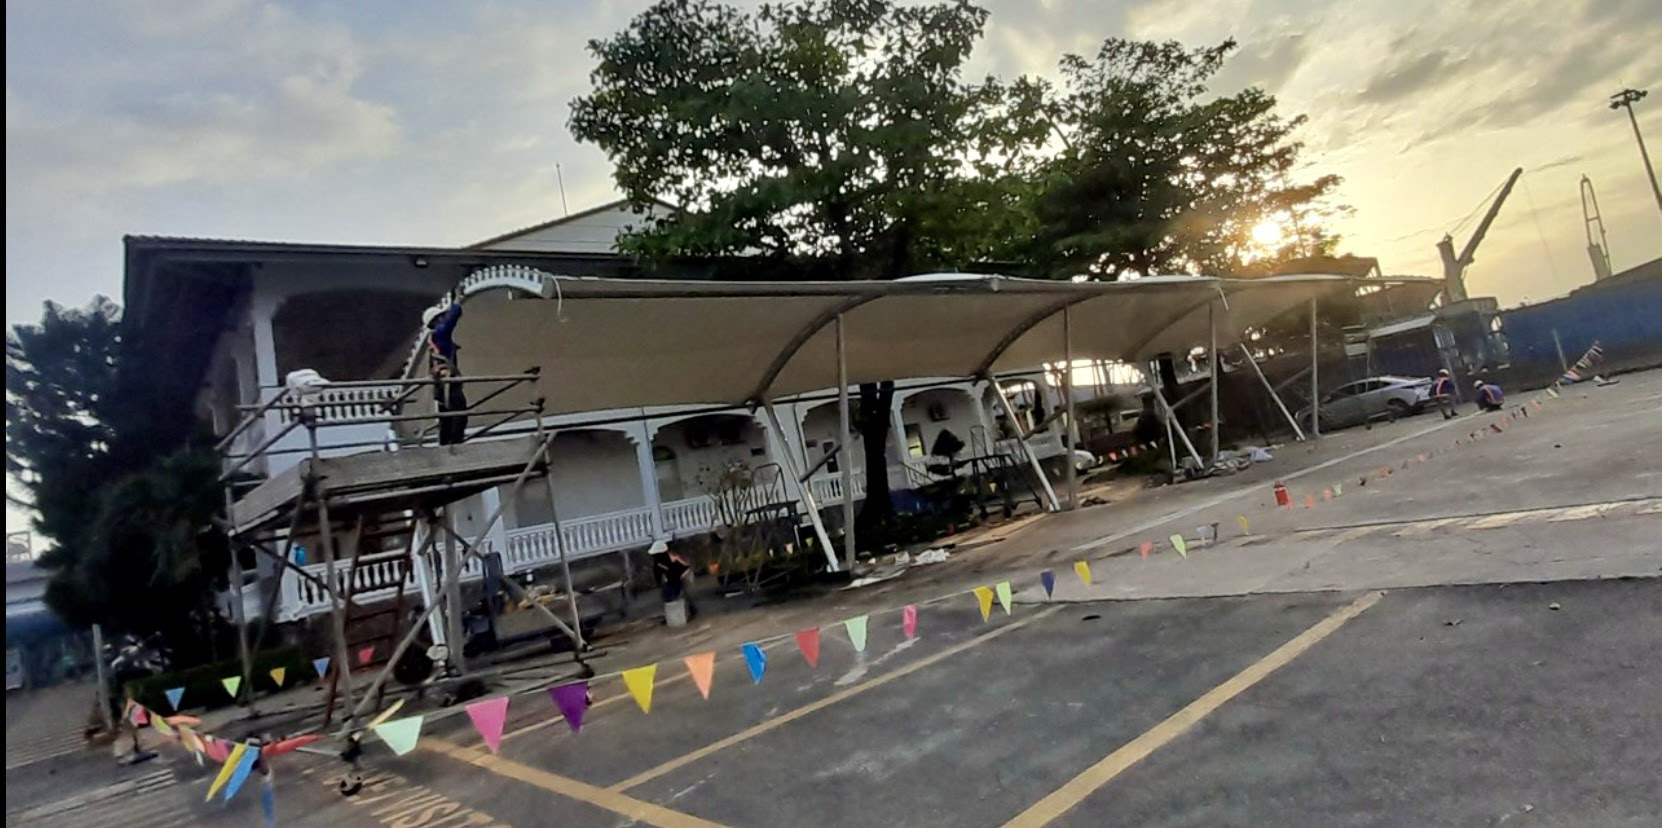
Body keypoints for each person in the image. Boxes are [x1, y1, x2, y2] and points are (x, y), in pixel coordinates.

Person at [423, 294, 467, 445]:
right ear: (436, 320)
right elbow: (452, 319)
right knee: (459, 414)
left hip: (441, 384)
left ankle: (444, 446)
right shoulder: (440, 334)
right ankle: (455, 446)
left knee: (446, 416)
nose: (443, 318)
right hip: (448, 383)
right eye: (441, 317)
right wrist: (457, 303)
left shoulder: (434, 339)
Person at [649, 540, 697, 622]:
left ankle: (691, 611)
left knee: (687, 592)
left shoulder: (672, 558)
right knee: (668, 594)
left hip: (685, 573)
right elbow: (657, 574)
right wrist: (661, 584)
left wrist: (674, 586)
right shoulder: (657, 562)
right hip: (673, 576)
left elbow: (677, 572)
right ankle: (671, 615)